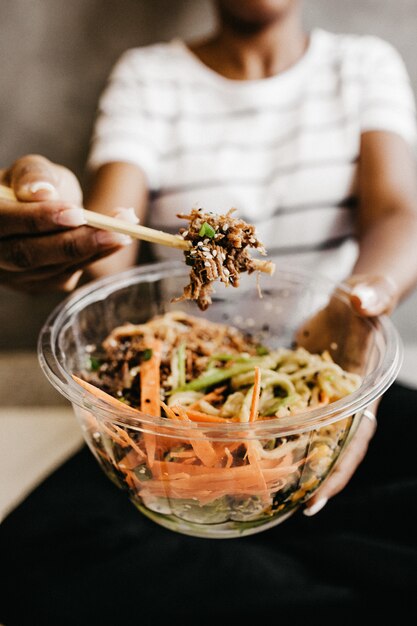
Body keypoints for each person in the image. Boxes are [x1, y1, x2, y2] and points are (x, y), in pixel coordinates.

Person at [1, 1, 417, 622]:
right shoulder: (150, 75)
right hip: (166, 418)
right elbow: (111, 247)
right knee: (26, 566)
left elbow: (398, 212)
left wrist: (363, 300)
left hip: (329, 375)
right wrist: (63, 234)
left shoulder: (361, 65)